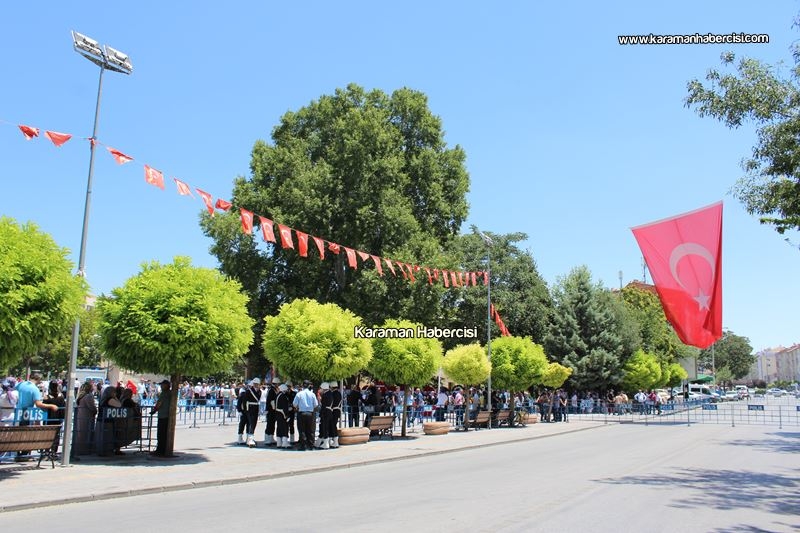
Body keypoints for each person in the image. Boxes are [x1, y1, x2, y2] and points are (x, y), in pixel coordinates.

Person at [292, 380, 318, 451]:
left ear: (302, 385)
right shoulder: (312, 394)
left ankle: (303, 446)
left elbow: (294, 404)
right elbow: (316, 404)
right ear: (309, 385)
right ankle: (311, 445)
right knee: (311, 430)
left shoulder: (299, 394)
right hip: (310, 413)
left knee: (302, 430)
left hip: (302, 413)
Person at [73, 381, 97, 456]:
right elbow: (91, 407)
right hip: (87, 416)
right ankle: (85, 449)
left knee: (80, 432)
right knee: (86, 433)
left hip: (81, 415)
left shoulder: (81, 396)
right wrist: (95, 410)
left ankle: (78, 448)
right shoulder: (89, 396)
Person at [42, 381, 66, 455]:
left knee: (47, 436)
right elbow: (63, 408)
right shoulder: (61, 397)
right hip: (58, 420)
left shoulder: (47, 397)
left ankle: (47, 451)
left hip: (49, 419)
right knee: (56, 436)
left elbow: (43, 408)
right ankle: (54, 451)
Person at [151, 379, 172, 457]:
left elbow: (159, 403)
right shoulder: (170, 393)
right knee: (164, 434)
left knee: (161, 434)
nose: (161, 386)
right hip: (167, 415)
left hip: (163, 416)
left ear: (166, 385)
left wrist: (154, 410)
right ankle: (162, 449)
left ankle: (160, 450)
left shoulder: (164, 393)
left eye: (162, 385)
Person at [240, 378, 261, 447]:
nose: (256, 385)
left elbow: (258, 399)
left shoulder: (259, 391)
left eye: (257, 384)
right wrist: (245, 410)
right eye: (255, 384)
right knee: (251, 423)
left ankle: (250, 438)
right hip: (250, 409)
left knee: (254, 423)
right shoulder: (248, 391)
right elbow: (244, 401)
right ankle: (250, 439)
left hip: (255, 408)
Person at [274, 384, 292, 448]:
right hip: (282, 414)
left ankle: (279, 442)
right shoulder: (283, 396)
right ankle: (285, 443)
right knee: (285, 427)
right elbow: (285, 407)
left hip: (278, 413)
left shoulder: (277, 395)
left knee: (279, 427)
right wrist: (287, 415)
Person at [264, 378, 280, 446]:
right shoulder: (271, 390)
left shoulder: (274, 390)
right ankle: (267, 439)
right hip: (271, 409)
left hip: (274, 410)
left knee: (272, 424)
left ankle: (271, 437)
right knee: (269, 424)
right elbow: (270, 400)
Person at [316, 382, 331, 449]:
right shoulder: (330, 393)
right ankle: (324, 443)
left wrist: (320, 415)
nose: (320, 389)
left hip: (325, 413)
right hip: (329, 412)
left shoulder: (325, 395)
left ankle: (326, 444)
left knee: (325, 428)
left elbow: (323, 406)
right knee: (326, 427)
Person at [327, 381, 342, 448]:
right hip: (337, 411)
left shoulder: (332, 394)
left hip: (333, 411)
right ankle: (334, 441)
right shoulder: (339, 393)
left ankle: (334, 441)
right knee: (333, 425)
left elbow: (331, 403)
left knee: (332, 426)